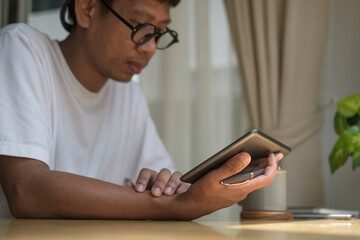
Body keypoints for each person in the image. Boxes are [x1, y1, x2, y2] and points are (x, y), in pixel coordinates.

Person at [0, 0, 283, 220]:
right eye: (140, 26)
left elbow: (169, 186)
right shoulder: (22, 47)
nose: (150, 47)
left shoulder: (128, 94)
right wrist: (179, 206)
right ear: (87, 9)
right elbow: (26, 190)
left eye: (159, 33)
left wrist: (169, 190)